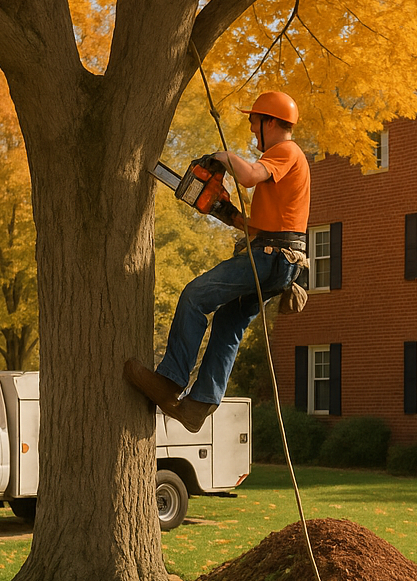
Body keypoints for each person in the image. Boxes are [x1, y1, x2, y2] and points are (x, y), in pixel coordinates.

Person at [125, 90, 310, 432]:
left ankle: (169, 382)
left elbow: (249, 176)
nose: (253, 131)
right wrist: (226, 212)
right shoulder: (282, 164)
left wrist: (221, 156)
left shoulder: (285, 150)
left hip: (271, 257)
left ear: (271, 121)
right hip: (278, 258)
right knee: (228, 322)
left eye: (255, 123)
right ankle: (199, 406)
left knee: (196, 296)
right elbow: (264, 227)